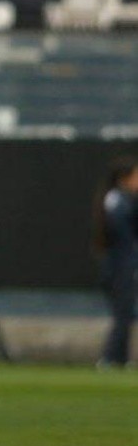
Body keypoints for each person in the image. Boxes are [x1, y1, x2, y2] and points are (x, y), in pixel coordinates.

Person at [96, 157, 138, 368]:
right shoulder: (117, 202)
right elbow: (122, 237)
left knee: (127, 314)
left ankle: (121, 358)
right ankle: (109, 357)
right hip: (119, 268)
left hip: (124, 266)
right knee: (122, 314)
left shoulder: (126, 201)